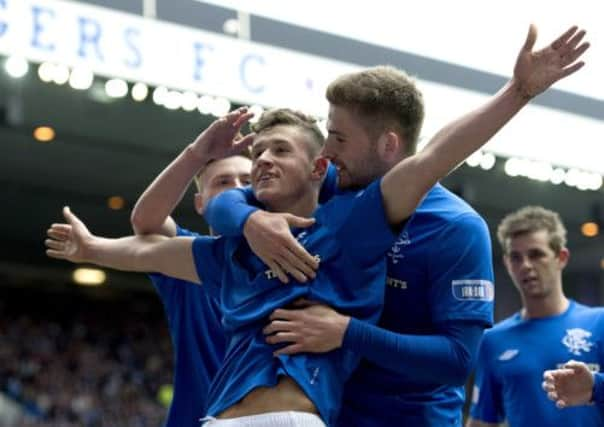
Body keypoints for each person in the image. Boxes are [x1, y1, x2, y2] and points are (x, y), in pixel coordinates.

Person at [46, 69, 538, 427]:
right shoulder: (233, 250)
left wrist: (517, 92)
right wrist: (92, 248)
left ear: (318, 168)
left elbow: (433, 157)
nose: (262, 161)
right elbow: (147, 244)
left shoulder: (348, 229)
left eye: (282, 150)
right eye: (258, 151)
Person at [202, 25, 589, 426]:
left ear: (388, 145)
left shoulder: (454, 226)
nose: (326, 150)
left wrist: (348, 332)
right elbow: (225, 200)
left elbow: (458, 361)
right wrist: (251, 222)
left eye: (337, 138)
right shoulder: (333, 197)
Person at [48, 154, 255, 427]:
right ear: (200, 203)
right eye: (222, 181)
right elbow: (147, 223)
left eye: (247, 181)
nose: (236, 187)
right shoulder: (189, 256)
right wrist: (198, 152)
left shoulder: (301, 256)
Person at [466, 206, 604, 427]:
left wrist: (596, 386)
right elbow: (482, 421)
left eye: (536, 254)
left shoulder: (599, 324)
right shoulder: (493, 341)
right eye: (516, 257)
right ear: (507, 265)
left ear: (561, 257)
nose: (526, 265)